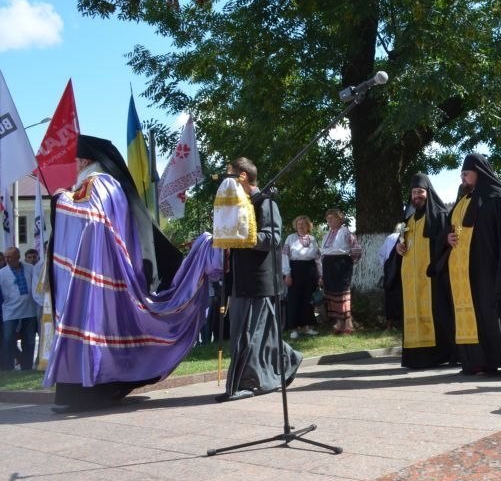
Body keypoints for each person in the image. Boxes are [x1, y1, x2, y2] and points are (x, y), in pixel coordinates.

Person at [43, 134, 218, 411]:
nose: (74, 165)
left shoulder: (98, 183)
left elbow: (90, 218)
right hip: (103, 276)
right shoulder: (107, 184)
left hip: (101, 278)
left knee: (94, 331)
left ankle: (89, 395)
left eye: (76, 160)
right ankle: (92, 393)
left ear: (86, 160)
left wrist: (60, 199)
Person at [217, 157, 303, 402]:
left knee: (251, 336)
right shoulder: (237, 205)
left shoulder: (265, 202)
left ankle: (248, 384)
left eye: (229, 175)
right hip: (241, 280)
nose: (225, 181)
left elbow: (273, 238)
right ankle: (289, 360)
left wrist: (244, 236)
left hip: (259, 282)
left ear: (242, 176)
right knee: (253, 334)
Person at [444, 153, 501, 375]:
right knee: (482, 319)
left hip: (497, 271)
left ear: (478, 172)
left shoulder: (499, 198)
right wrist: (447, 238)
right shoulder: (465, 202)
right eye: (461, 175)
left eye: (466, 174)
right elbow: (451, 231)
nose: (463, 179)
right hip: (473, 275)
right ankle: (483, 362)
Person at [393, 173, 455, 368]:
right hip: (411, 279)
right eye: (413, 192)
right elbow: (400, 243)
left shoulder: (440, 215)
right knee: (414, 315)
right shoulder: (408, 220)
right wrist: (398, 247)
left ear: (428, 192)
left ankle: (441, 355)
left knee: (438, 314)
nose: (416, 196)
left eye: (420, 192)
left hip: (431, 277)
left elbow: (447, 243)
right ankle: (416, 357)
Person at [282, 215, 321, 338]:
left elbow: (318, 258)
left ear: (308, 226)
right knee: (294, 299)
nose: (301, 226)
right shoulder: (290, 238)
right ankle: (294, 329)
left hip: (310, 271)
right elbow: (285, 256)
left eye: (303, 223)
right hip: (295, 270)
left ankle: (307, 327)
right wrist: (287, 274)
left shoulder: (312, 239)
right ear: (296, 225)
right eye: (299, 223)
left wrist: (320, 275)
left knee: (308, 299)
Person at [321, 208, 359, 334]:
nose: (330, 220)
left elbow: (356, 248)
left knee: (343, 293)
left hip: (341, 263)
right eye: (328, 219)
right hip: (328, 263)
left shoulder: (345, 232)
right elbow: (322, 253)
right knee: (331, 293)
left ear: (340, 219)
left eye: (332, 218)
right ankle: (339, 323)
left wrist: (348, 262)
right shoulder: (326, 234)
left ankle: (348, 323)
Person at [0, 247, 38, 371]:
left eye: (9, 257)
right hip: (10, 312)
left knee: (29, 340)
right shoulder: (2, 273)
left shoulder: (30, 268)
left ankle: (27, 367)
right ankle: (8, 368)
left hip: (29, 310)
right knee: (8, 340)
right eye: (5, 257)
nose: (7, 259)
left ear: (18, 257)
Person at [377, 229, 402, 330]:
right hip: (403, 268)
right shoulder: (407, 236)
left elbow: (382, 255)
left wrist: (388, 267)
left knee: (390, 297)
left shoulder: (390, 237)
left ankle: (389, 325)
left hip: (391, 270)